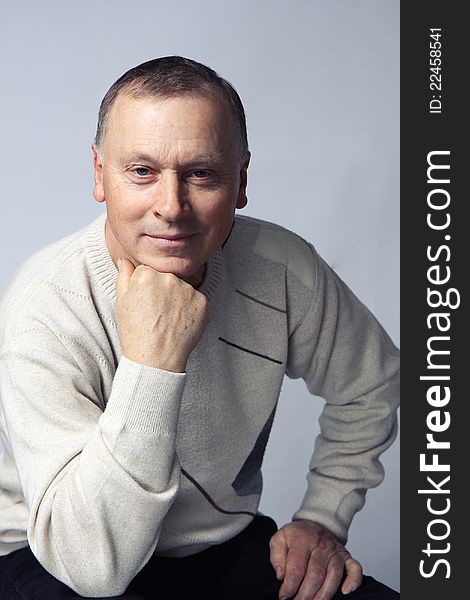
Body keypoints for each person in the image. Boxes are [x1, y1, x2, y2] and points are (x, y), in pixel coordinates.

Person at [0, 56, 400, 600]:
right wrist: (152, 362)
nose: (171, 207)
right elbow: (93, 567)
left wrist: (323, 518)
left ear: (240, 180)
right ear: (99, 174)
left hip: (215, 547)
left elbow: (371, 383)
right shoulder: (45, 307)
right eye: (141, 171)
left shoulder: (279, 268)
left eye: (201, 174)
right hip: (57, 555)